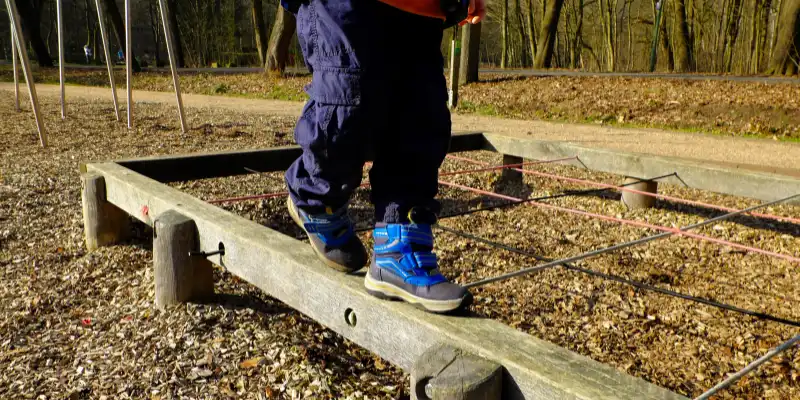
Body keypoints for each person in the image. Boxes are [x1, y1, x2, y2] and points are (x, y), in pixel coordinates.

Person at [282, 0, 485, 314]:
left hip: (422, 7)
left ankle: (398, 248)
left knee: (421, 114)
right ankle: (316, 197)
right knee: (348, 100)